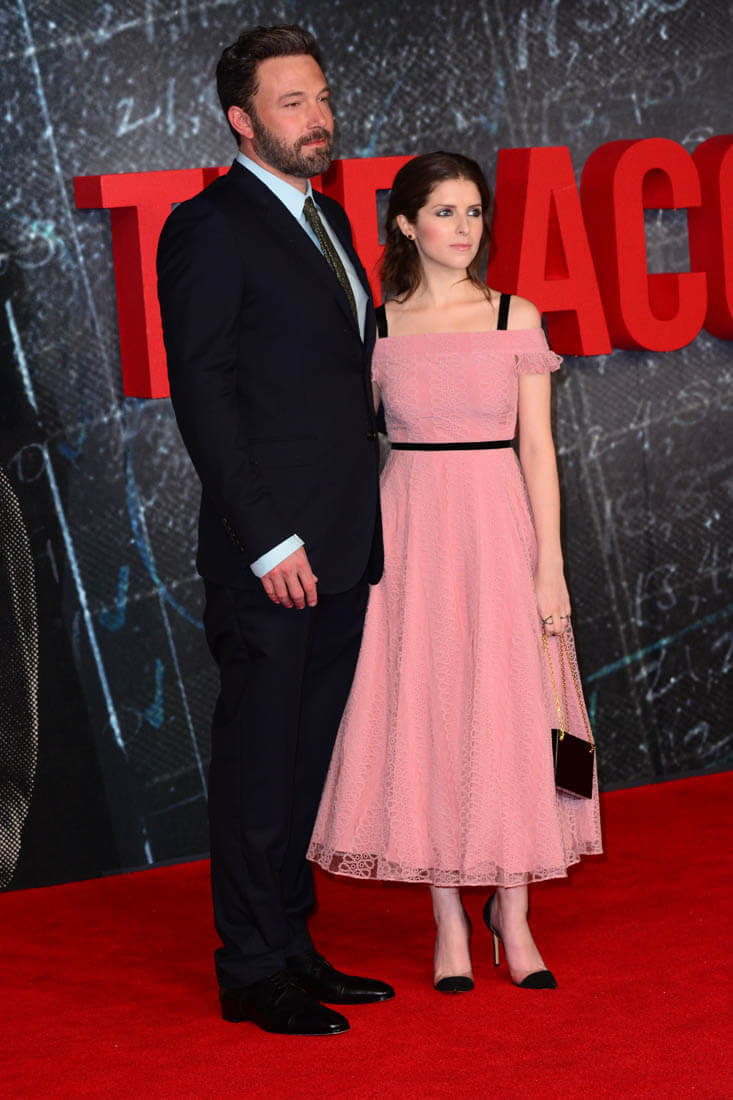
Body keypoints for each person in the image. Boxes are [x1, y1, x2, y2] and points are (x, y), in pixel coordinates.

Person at [308, 151, 603, 993]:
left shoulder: (515, 316)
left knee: (514, 710)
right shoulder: (380, 327)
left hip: (499, 529)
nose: (463, 227)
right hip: (410, 536)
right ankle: (447, 916)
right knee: (427, 711)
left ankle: (513, 910)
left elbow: (538, 450)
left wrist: (550, 567)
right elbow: (347, 445)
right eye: (443, 212)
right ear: (405, 224)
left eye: (473, 211)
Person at [156, 24, 392, 1036]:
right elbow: (204, 395)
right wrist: (266, 539)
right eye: (292, 101)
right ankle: (250, 969)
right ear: (241, 121)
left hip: (341, 538)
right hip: (272, 554)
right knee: (260, 759)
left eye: (322, 96)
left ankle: (291, 943)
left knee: (302, 758)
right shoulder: (208, 227)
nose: (318, 116)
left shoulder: (328, 218)